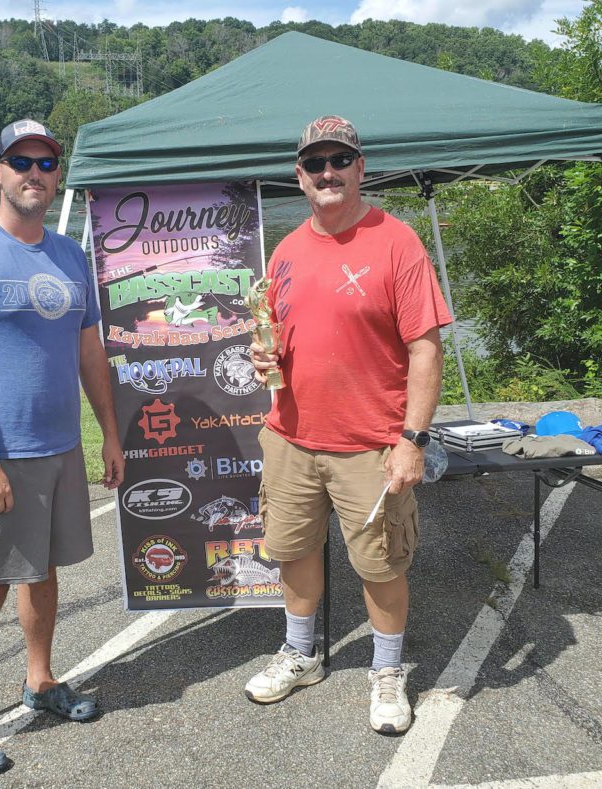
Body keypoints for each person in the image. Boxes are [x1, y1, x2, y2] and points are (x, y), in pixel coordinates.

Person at [0, 118, 124, 776]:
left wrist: (109, 433)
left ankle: (40, 680)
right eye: (22, 161)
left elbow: (90, 353)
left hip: (59, 447)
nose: (35, 173)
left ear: (57, 175)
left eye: (46, 162)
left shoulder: (69, 255)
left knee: (42, 572)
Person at [244, 115, 451, 734]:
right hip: (291, 437)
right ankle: (300, 653)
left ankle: (387, 670)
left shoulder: (397, 241)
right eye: (316, 163)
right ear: (299, 176)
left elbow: (426, 349)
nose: (327, 172)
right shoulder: (286, 250)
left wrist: (412, 439)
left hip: (371, 445)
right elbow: (279, 337)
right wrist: (263, 357)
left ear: (361, 168)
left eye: (340, 161)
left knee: (382, 565)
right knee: (293, 551)